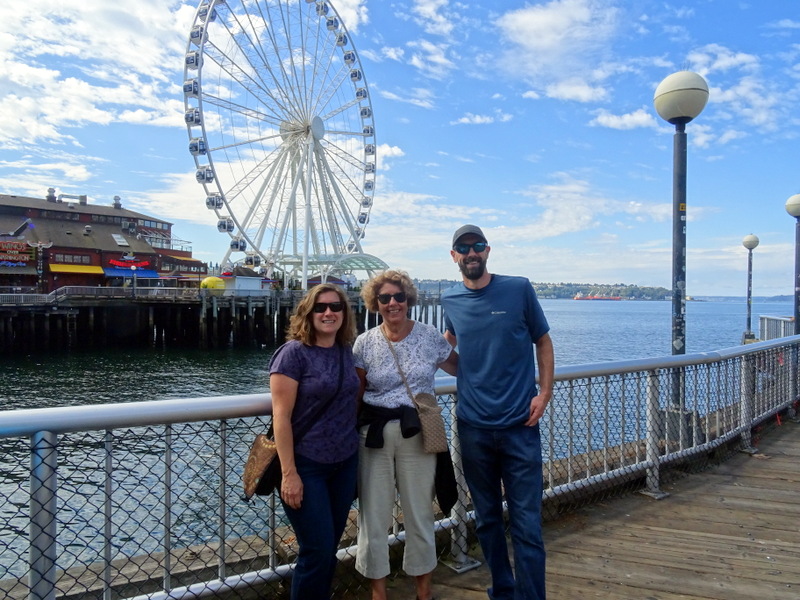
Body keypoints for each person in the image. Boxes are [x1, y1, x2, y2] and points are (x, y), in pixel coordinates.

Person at [441, 225, 555, 600]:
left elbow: (543, 340)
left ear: (487, 251)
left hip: (520, 425)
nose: (471, 253)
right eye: (463, 248)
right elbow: (450, 349)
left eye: (477, 246)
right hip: (472, 427)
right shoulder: (450, 299)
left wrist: (545, 391)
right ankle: (503, 591)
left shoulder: (518, 288)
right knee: (488, 520)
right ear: (454, 255)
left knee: (526, 524)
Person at [353, 269, 458, 600]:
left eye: (398, 297)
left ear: (409, 299)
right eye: (384, 298)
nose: (392, 303)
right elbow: (355, 394)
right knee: (374, 517)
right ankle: (378, 593)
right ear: (376, 303)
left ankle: (423, 592)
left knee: (420, 515)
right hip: (374, 435)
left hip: (418, 434)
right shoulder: (364, 342)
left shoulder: (429, 337)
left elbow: (463, 369)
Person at [269, 283, 360, 600]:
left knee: (330, 547)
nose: (328, 313)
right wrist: (289, 472)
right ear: (308, 313)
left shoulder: (345, 351)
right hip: (307, 466)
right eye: (320, 307)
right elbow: (281, 417)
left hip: (345, 463)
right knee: (316, 549)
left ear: (344, 313)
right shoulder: (292, 354)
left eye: (336, 307)